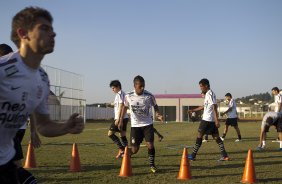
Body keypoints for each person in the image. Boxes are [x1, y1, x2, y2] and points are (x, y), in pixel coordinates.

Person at [0, 7, 84, 184]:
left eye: (52, 29)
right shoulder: (3, 70)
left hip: (5, 162)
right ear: (23, 33)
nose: (53, 34)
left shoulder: (42, 79)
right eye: (44, 28)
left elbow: (44, 125)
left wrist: (65, 127)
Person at [120, 75, 163, 173]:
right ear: (135, 86)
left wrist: (158, 114)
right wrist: (121, 120)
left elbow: (155, 105)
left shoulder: (149, 95)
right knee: (135, 150)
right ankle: (125, 155)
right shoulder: (128, 96)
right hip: (135, 126)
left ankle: (152, 165)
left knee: (150, 145)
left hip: (147, 124)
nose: (143, 88)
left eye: (143, 86)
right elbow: (124, 107)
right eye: (140, 86)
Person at [188, 78, 230, 161]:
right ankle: (225, 156)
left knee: (199, 136)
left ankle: (193, 155)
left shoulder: (210, 94)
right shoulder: (208, 94)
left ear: (206, 86)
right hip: (210, 120)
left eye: (201, 86)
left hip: (207, 120)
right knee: (217, 138)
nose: (200, 88)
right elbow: (205, 106)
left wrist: (217, 120)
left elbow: (214, 106)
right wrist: (193, 110)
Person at [108, 80, 129, 159]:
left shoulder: (121, 94)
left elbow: (121, 107)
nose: (112, 90)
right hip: (124, 118)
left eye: (113, 88)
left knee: (110, 134)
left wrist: (119, 119)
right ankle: (126, 152)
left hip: (121, 118)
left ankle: (122, 149)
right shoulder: (118, 95)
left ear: (118, 87)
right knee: (122, 135)